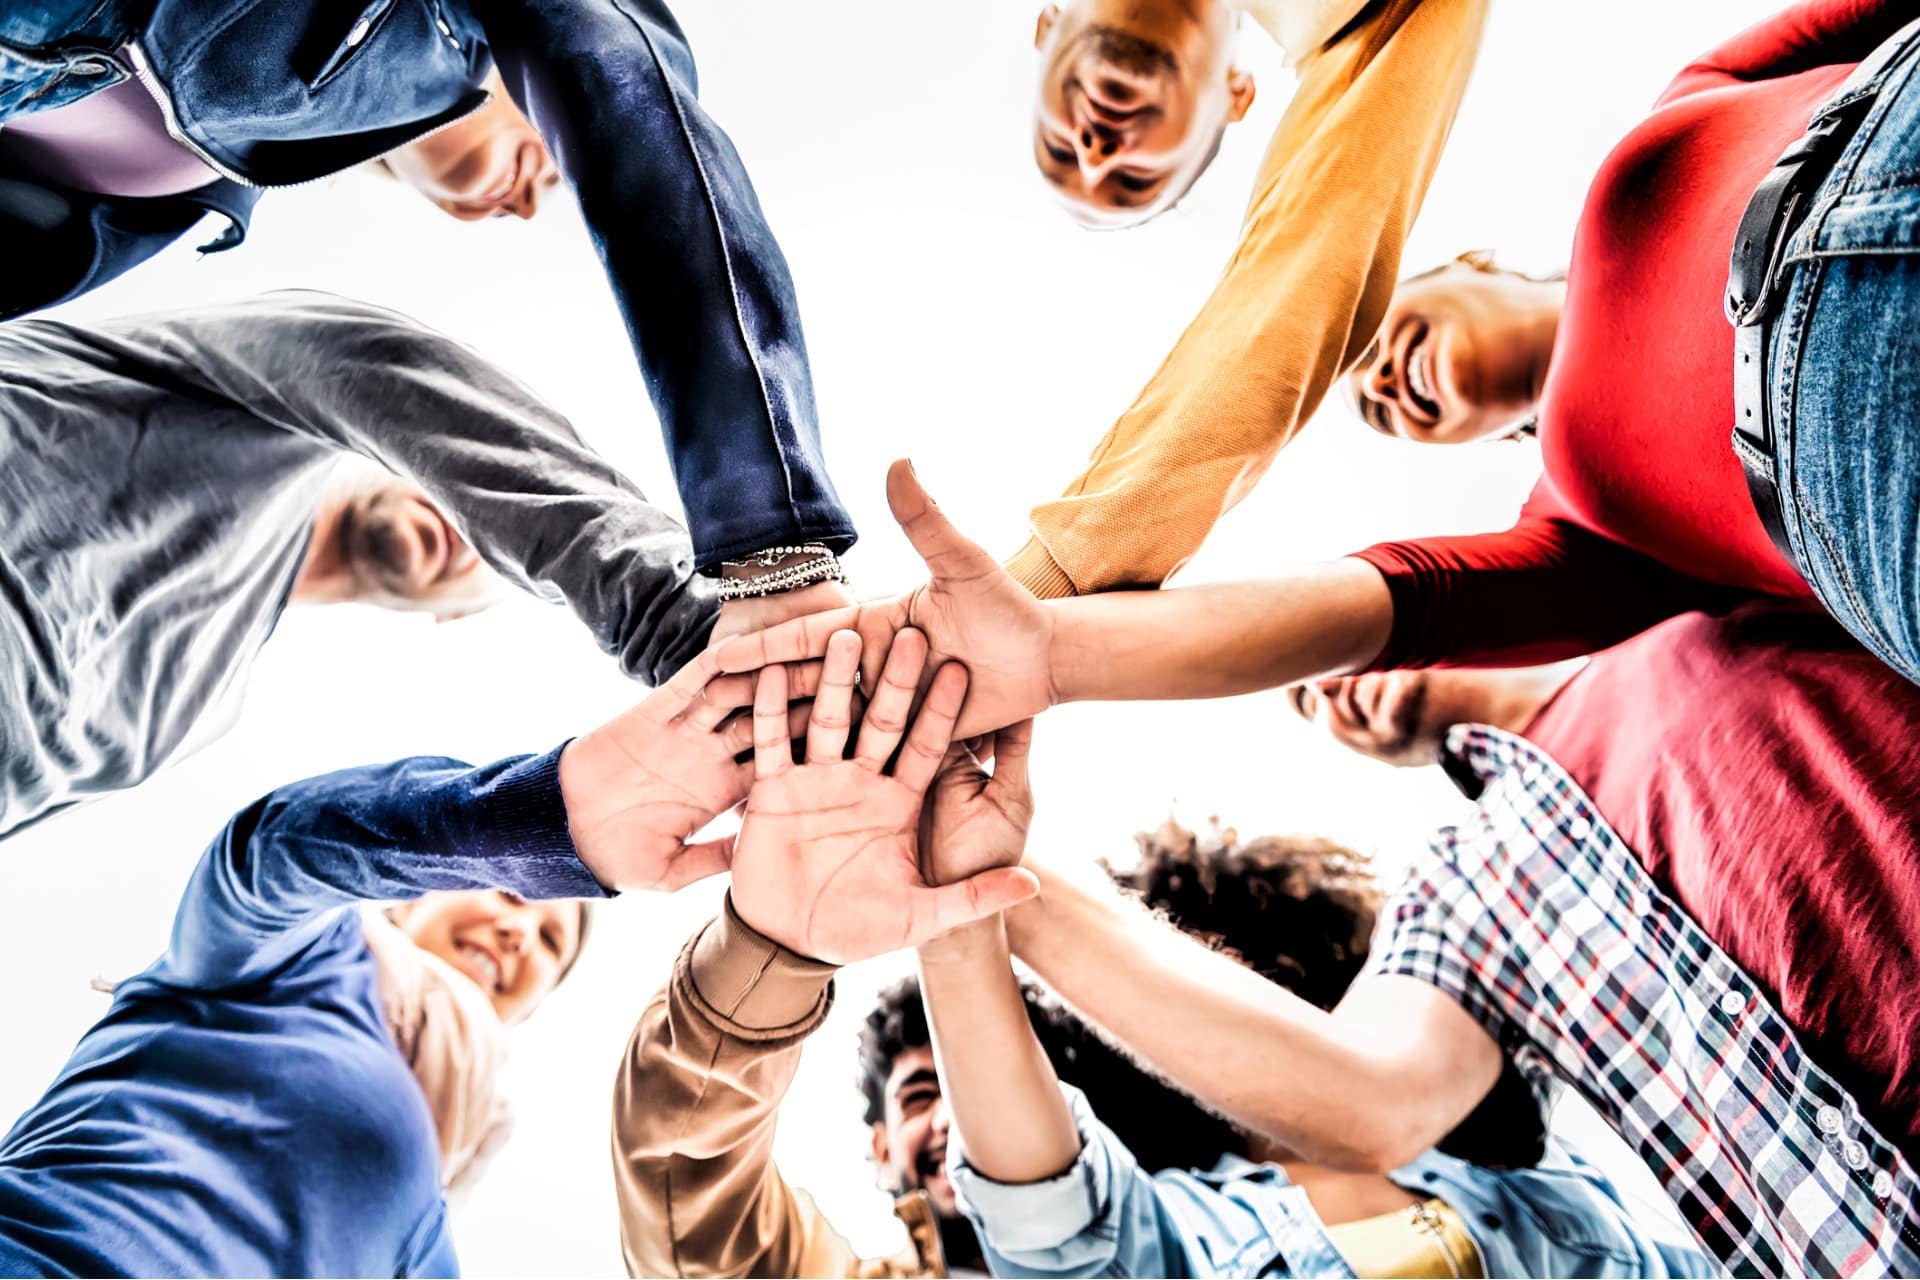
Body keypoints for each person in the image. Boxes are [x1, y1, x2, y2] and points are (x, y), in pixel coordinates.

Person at [732, 467, 1920, 1275]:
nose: (1331, 696)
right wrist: (981, 892)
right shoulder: (1486, 885)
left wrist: (1064, 648)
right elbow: (1086, 1215)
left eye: (1320, 666)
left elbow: (1398, 598)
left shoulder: (1674, 566)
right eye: (1307, 699)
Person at [1019, 1, 1920, 689]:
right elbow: (1368, 614)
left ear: (1471, 262)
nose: (1368, 374)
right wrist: (1045, 649)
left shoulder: (1684, 103)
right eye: (1379, 413)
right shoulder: (1579, 528)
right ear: (1480, 444)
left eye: (1365, 333)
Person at [0, 626, 869, 1276]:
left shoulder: (429, 1225)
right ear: (416, 898)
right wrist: (548, 823)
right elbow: (276, 855)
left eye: (547, 945)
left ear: (528, 1007)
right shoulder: (304, 958)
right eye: (515, 897)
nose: (519, 931)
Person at [0, 0, 858, 615]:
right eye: (551, 160)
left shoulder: (205, 183)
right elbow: (627, 107)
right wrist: (770, 544)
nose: (529, 201)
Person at [0, 290, 718, 839]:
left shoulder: (196, 712)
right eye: (475, 498)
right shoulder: (266, 414)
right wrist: (681, 624)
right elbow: (383, 370)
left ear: (452, 615)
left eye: (498, 556)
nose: (472, 527)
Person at [923, 821, 1720, 1278]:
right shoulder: (1177, 1229)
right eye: (1168, 975)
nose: (1208, 989)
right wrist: (958, 915)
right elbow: (1044, 1212)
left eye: (1222, 959)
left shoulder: (1494, 1130)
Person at [1010, 0, 1487, 596]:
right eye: (1137, 181)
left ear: (1046, 24)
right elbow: (1293, 289)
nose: (1093, 152)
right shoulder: (1357, 22)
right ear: (1236, 97)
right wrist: (1052, 581)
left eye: (1055, 147)